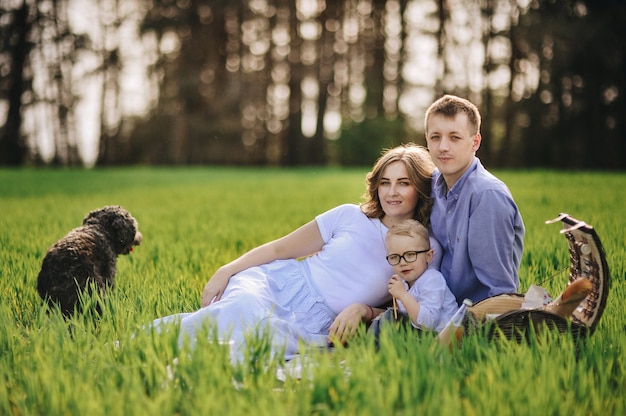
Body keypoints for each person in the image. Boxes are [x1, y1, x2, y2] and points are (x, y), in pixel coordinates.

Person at [149, 143, 436, 363]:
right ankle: (141, 349)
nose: (392, 192)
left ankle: (184, 365)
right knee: (237, 311)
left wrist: (364, 311)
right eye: (385, 182)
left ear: (420, 188)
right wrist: (226, 270)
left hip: (319, 321)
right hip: (279, 285)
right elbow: (279, 248)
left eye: (404, 182)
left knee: (258, 344)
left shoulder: (424, 247)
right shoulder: (349, 216)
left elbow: (414, 309)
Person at [424, 94, 525, 304]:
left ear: (475, 142)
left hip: (474, 320)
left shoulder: (487, 197)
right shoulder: (431, 184)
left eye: (454, 137)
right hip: (434, 309)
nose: (443, 146)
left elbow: (500, 293)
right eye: (435, 137)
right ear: (427, 140)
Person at [383, 219, 458, 333]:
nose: (402, 263)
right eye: (394, 257)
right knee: (387, 319)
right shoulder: (402, 283)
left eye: (410, 254)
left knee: (388, 319)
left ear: (428, 256)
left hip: (444, 338)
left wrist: (403, 295)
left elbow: (428, 323)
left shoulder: (432, 280)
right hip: (421, 335)